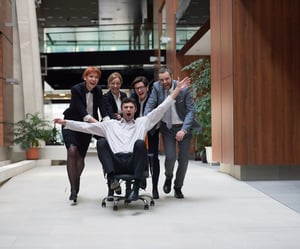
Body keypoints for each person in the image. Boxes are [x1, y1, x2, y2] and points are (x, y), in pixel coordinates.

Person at [54, 77, 191, 202]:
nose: (128, 109)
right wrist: (66, 123)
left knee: (140, 144)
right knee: (101, 142)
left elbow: (162, 108)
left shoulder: (143, 122)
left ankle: (136, 187)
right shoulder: (110, 125)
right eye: (125, 107)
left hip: (133, 161)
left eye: (131, 107)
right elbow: (86, 127)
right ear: (122, 110)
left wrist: (178, 89)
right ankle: (112, 179)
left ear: (135, 110)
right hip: (116, 162)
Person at [144, 67, 200, 199]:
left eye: (167, 79)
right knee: (170, 157)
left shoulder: (183, 89)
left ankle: (178, 187)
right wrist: (145, 120)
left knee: (183, 159)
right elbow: (150, 104)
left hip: (183, 127)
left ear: (172, 77)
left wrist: (184, 129)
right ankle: (168, 177)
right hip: (167, 128)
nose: (164, 82)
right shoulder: (156, 88)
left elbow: (191, 111)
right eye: (161, 80)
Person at [61, 66, 109, 203]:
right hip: (71, 124)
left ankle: (76, 178)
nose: (93, 79)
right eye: (91, 76)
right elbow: (83, 113)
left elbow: (103, 109)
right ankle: (73, 189)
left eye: (96, 77)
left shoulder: (99, 91)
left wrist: (108, 122)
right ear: (85, 77)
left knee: (80, 157)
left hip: (87, 128)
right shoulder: (76, 89)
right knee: (72, 151)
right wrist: (98, 125)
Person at [131, 76, 160, 199]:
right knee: (138, 156)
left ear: (147, 88)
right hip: (137, 133)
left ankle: (154, 187)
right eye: (137, 88)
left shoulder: (153, 99)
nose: (139, 90)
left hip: (152, 131)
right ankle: (141, 178)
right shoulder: (133, 99)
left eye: (141, 87)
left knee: (153, 158)